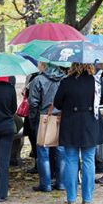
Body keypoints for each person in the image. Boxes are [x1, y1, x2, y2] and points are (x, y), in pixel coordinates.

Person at [53, 62, 103, 204]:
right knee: (89, 160)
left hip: (71, 124)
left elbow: (57, 103)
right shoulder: (95, 81)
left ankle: (71, 198)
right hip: (90, 123)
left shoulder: (66, 82)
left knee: (71, 160)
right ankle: (87, 198)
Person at [28, 62, 65, 192]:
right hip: (61, 117)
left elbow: (33, 103)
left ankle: (46, 184)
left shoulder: (38, 80)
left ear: (44, 65)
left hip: (43, 118)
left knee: (43, 152)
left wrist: (33, 120)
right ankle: (61, 183)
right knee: (61, 150)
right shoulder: (64, 79)